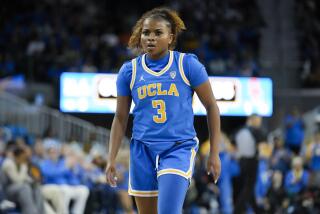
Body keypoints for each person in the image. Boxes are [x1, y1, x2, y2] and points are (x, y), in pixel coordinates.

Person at [105, 7, 221, 214]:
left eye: (158, 33)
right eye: (146, 32)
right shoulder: (129, 71)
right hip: (142, 149)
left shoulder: (187, 65)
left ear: (170, 37)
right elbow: (120, 117)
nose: (150, 37)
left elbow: (212, 106)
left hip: (177, 147)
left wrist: (214, 153)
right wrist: (111, 158)